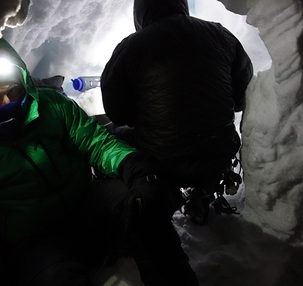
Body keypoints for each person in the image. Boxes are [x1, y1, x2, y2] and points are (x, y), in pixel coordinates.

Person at [0, 37, 199, 286]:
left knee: (138, 204)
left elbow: (95, 142)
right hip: (37, 242)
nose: (8, 101)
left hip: (87, 205)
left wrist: (133, 165)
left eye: (13, 91)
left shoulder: (51, 106)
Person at [101, 0, 253, 220]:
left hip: (162, 161)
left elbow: (118, 114)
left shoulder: (131, 47)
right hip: (219, 154)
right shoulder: (222, 35)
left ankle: (154, 192)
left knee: (111, 139)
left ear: (140, 13)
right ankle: (204, 188)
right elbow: (242, 98)